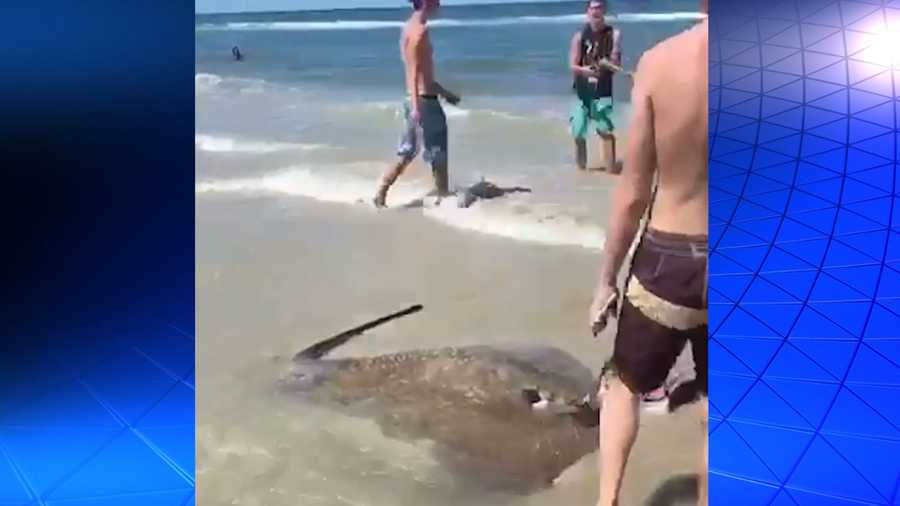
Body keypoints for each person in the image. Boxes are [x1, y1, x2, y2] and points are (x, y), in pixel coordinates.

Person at [588, 0, 708, 504]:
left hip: (669, 259)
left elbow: (634, 190)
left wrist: (606, 279)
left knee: (623, 384)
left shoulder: (661, 61)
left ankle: (608, 501)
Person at [373, 0, 461, 208]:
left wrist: (445, 93)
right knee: (438, 151)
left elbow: (423, 75)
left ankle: (381, 192)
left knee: (408, 151)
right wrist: (415, 108)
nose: (440, 2)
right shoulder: (419, 31)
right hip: (423, 103)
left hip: (418, 98)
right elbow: (413, 72)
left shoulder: (408, 28)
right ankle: (444, 198)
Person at [569, 0, 622, 172]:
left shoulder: (614, 34)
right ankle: (580, 171)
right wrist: (586, 71)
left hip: (602, 90)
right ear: (588, 12)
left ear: (604, 11)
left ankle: (611, 170)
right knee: (578, 132)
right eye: (593, 8)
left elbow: (616, 64)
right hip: (582, 91)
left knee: (604, 131)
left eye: (599, 8)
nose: (596, 11)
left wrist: (608, 65)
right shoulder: (579, 37)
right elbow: (573, 66)